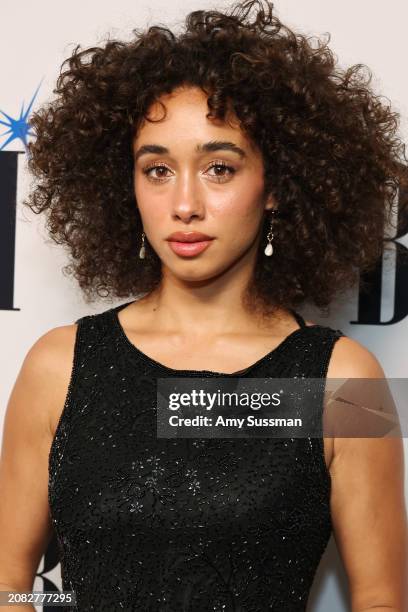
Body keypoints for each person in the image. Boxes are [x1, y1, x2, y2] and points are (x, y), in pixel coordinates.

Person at [1, 0, 407, 610]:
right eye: (157, 169)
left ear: (276, 186)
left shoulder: (342, 384)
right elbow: (12, 588)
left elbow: (381, 601)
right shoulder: (60, 366)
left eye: (219, 168)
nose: (184, 203)